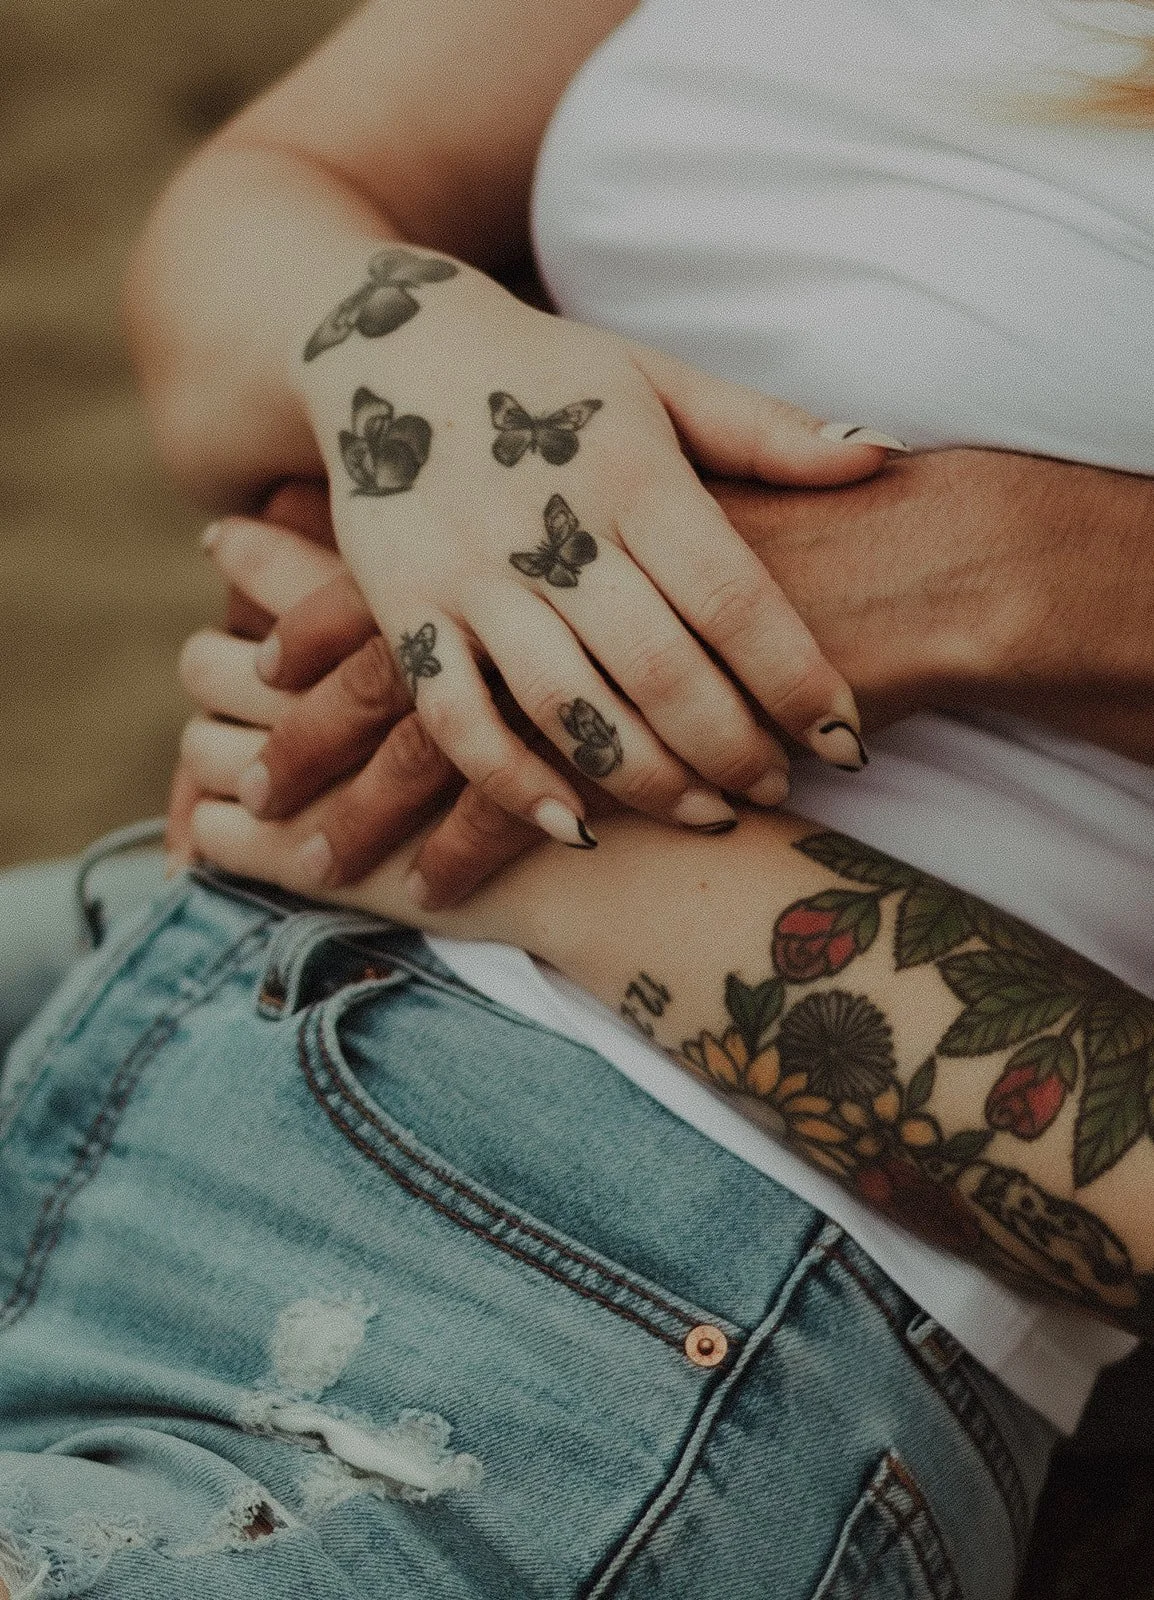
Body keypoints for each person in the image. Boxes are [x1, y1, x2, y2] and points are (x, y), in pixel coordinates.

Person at [1, 1, 1153, 1596]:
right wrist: (399, 344)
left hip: (619, 1283)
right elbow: (276, 187)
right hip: (181, 970)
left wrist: (1006, 568)